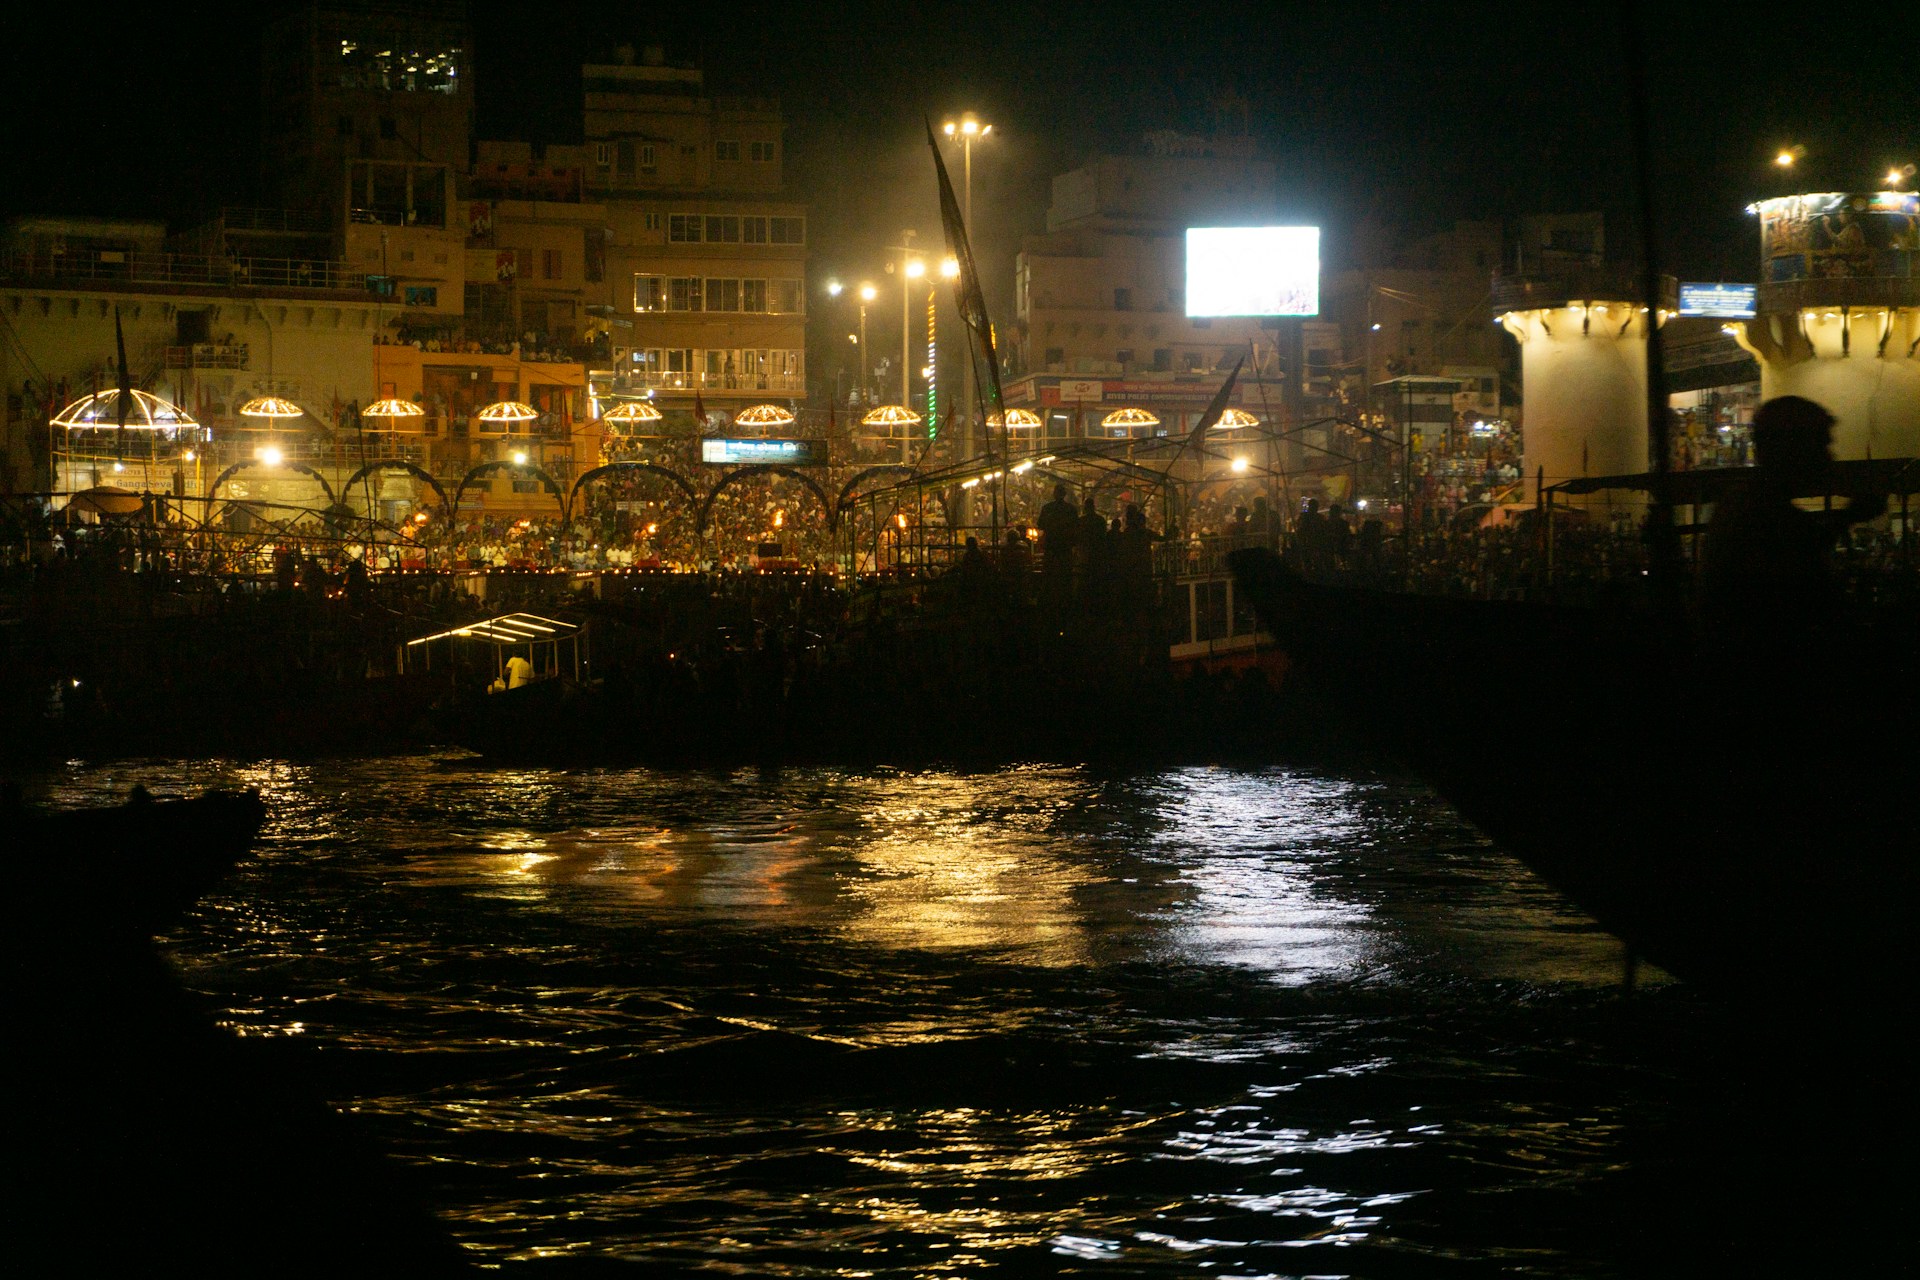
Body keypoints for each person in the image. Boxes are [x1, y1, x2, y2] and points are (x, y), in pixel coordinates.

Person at [1702, 395, 1884, 648]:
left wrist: (1847, 517)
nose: (1828, 457)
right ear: (1795, 449)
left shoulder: (1746, 503)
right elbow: (1803, 575)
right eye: (1821, 445)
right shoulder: (1762, 513)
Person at [1036, 483, 1078, 576]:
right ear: (1064, 494)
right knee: (1065, 572)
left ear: (1054, 494)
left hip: (1051, 545)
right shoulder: (1071, 509)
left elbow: (1040, 525)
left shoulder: (1047, 508)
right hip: (1065, 546)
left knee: (1050, 572)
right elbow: (1076, 527)